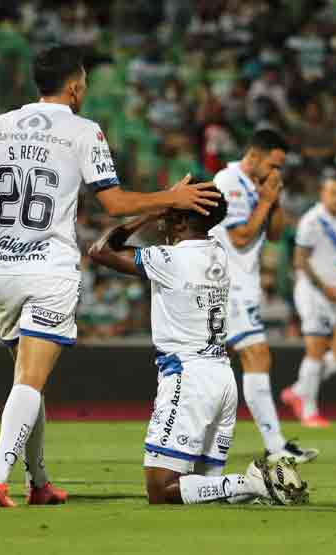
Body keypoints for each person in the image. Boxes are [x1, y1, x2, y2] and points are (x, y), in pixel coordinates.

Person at [0, 45, 219, 507]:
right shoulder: (83, 131)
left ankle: (40, 481)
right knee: (29, 380)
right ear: (74, 87)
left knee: (29, 378)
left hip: (3, 269)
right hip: (50, 268)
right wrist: (171, 197)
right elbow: (115, 204)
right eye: (83, 84)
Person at [87, 193, 306, 506]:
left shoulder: (171, 260)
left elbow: (100, 250)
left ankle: (255, 481)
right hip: (222, 378)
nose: (164, 219)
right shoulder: (218, 251)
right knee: (206, 491)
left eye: (171, 213)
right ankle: (255, 488)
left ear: (180, 220)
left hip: (188, 380)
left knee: (160, 490)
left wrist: (151, 209)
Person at [209, 129, 318, 463]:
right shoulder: (229, 182)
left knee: (227, 361)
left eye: (280, 168)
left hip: (243, 282)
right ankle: (275, 446)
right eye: (274, 165)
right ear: (254, 155)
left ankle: (210, 444)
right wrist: (266, 200)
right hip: (226, 281)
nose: (276, 173)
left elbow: (273, 234)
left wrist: (275, 198)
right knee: (256, 355)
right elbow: (241, 237)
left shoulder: (259, 187)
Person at [283, 174, 336, 427]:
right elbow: (300, 260)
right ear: (322, 193)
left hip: (333, 293)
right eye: (334, 193)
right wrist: (325, 288)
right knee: (316, 349)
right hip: (313, 292)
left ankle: (299, 389)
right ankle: (308, 411)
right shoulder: (312, 221)